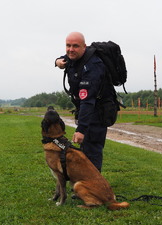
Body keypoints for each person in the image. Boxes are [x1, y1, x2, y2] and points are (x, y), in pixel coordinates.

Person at [55, 32, 112, 172]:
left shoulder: (93, 66)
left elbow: (87, 100)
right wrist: (57, 61)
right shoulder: (74, 58)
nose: (71, 49)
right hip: (85, 110)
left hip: (97, 112)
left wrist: (81, 130)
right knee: (85, 149)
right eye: (68, 45)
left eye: (75, 46)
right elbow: (66, 57)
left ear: (84, 47)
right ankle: (86, 185)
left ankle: (95, 189)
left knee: (92, 150)